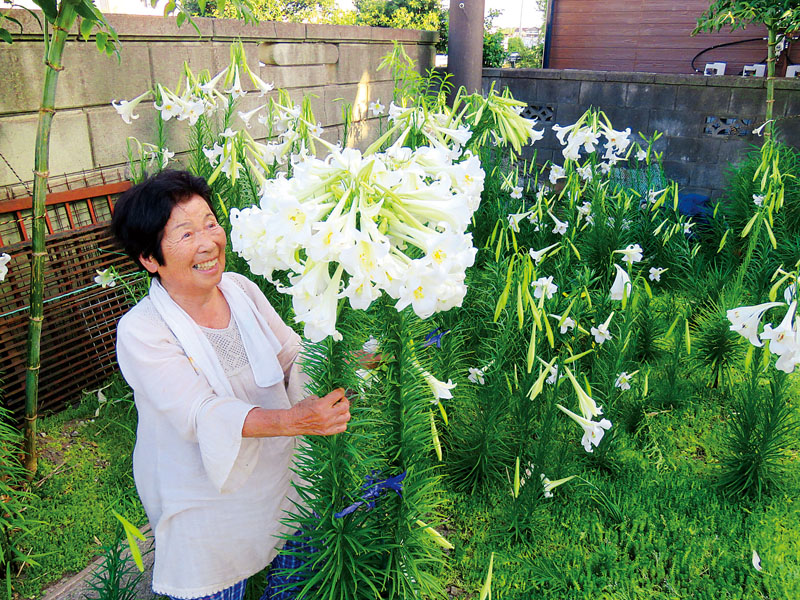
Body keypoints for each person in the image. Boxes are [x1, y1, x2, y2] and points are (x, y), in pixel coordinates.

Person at [112, 170, 350, 600]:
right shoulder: (142, 330)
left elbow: (290, 355)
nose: (208, 242)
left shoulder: (240, 288)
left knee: (294, 573)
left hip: (277, 475)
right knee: (213, 584)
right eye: (185, 234)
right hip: (201, 498)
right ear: (150, 258)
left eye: (210, 223)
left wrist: (346, 355)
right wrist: (295, 419)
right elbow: (201, 411)